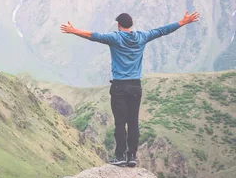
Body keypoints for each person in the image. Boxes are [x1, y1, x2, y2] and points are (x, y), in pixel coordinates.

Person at [60, 11, 200, 167]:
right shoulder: (142, 37)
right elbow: (162, 30)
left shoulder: (115, 38)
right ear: (131, 25)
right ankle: (132, 156)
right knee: (133, 122)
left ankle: (119, 156)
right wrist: (183, 22)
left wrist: (73, 31)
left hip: (119, 86)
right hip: (135, 86)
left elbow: (93, 35)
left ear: (119, 25)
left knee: (120, 122)